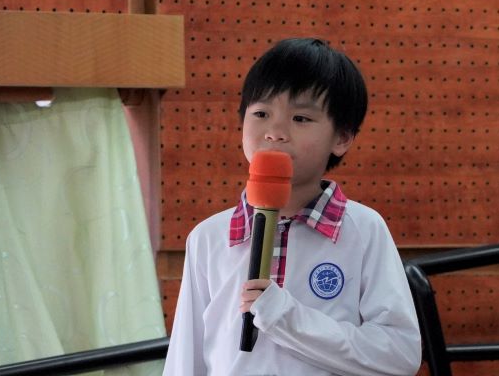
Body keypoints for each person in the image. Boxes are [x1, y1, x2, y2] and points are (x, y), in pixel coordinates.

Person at [163, 38, 422, 375]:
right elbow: (185, 358)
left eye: (300, 118)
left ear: (342, 138)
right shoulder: (208, 237)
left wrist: (286, 317)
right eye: (261, 114)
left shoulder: (363, 230)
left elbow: (399, 355)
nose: (275, 132)